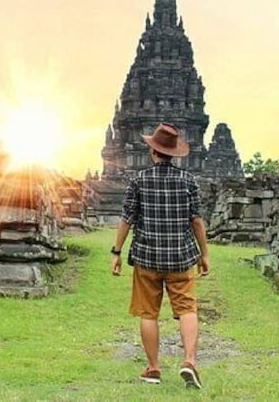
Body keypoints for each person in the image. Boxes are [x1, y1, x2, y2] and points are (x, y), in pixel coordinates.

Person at [110, 123, 210, 389]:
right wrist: (204, 254)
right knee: (187, 309)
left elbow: (126, 219)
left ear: (153, 152)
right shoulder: (188, 181)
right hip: (181, 257)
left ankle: (153, 369)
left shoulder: (138, 181)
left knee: (148, 313)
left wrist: (116, 252)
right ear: (173, 153)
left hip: (147, 257)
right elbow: (197, 221)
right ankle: (189, 362)